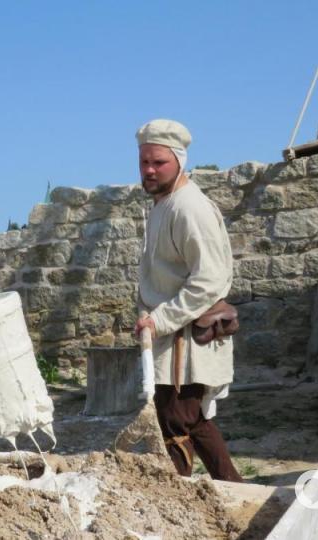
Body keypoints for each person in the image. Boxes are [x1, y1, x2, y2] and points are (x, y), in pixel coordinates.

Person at [132, 119, 242, 482]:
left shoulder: (189, 207)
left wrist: (160, 320)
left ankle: (177, 496)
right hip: (168, 338)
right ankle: (234, 490)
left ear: (179, 160)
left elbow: (210, 278)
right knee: (189, 420)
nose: (149, 170)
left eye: (158, 162)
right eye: (144, 161)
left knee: (177, 421)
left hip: (186, 339)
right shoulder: (163, 205)